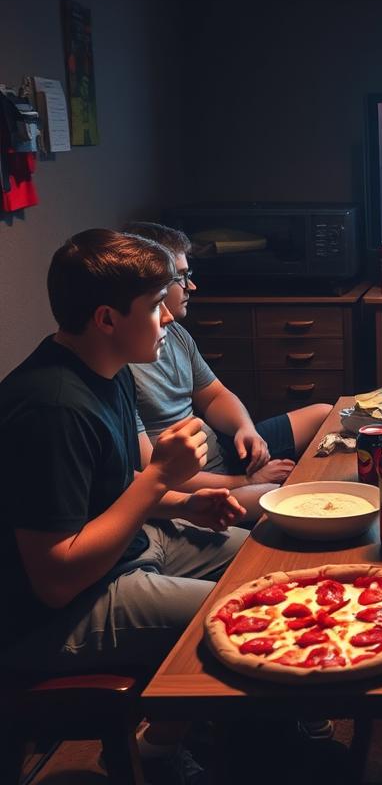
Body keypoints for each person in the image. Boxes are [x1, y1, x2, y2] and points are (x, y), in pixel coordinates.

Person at [0, 229, 246, 675]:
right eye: (155, 305)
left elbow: (109, 485)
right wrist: (159, 478)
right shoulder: (52, 409)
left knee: (262, 559)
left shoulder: (110, 371)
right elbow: (55, 582)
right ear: (107, 319)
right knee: (247, 616)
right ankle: (172, 742)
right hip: (57, 615)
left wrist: (184, 504)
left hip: (127, 552)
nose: (169, 317)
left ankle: (206, 730)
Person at [123, 221, 332, 521]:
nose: (191, 287)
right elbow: (153, 475)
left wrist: (245, 429)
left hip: (222, 455)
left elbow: (214, 396)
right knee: (296, 498)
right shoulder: (123, 364)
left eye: (188, 275)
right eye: (180, 278)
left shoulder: (177, 334)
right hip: (193, 486)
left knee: (325, 414)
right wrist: (246, 482)